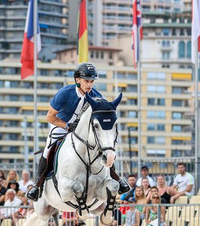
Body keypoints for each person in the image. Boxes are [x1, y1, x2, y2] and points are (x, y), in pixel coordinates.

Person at [26, 63, 130, 201]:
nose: (89, 85)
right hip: (61, 125)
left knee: (103, 147)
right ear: (77, 80)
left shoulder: (97, 96)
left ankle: (116, 177)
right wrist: (67, 126)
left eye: (92, 81)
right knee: (49, 147)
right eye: (86, 81)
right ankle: (38, 184)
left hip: (82, 131)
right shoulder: (65, 93)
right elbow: (50, 117)